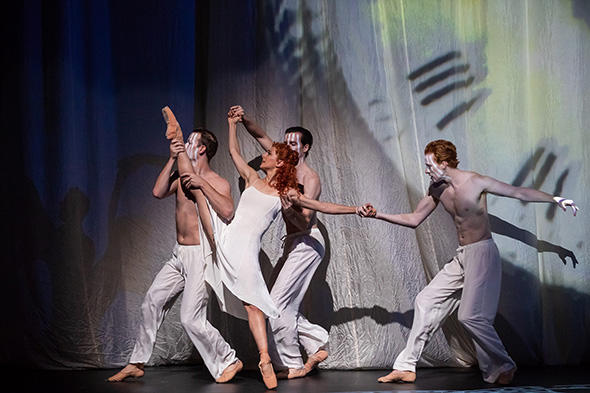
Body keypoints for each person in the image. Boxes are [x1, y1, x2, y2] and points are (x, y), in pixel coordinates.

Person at [363, 139, 578, 385]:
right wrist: (377, 214)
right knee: (425, 300)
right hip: (462, 255)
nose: (426, 170)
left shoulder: (475, 182)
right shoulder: (437, 189)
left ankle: (504, 365)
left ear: (444, 163)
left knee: (471, 317)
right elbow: (414, 219)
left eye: (429, 164)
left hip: (482, 253)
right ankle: (406, 366)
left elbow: (518, 192)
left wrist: (555, 199)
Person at [185, 109, 372, 389]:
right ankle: (295, 350)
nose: (266, 153)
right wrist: (232, 124)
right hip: (228, 238)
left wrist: (356, 209)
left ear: (283, 160)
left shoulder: (291, 190)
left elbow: (321, 208)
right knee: (201, 196)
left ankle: (272, 360)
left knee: (260, 304)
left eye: (272, 153)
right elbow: (236, 151)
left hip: (267, 247)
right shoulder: (251, 177)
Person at [108, 112, 242, 384]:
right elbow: (157, 192)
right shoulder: (182, 178)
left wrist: (202, 185)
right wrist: (172, 158)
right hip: (177, 254)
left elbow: (228, 210)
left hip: (200, 256)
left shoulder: (217, 182)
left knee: (190, 319)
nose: (185, 147)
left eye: (188, 142)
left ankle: (229, 359)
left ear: (202, 148)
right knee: (151, 302)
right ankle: (136, 361)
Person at [228, 106, 331, 379]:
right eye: (284, 143)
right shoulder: (282, 164)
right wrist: (242, 118)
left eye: (293, 144)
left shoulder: (309, 178)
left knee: (276, 302)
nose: (286, 146)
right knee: (272, 302)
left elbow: (307, 220)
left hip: (308, 241)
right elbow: (259, 134)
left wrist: (288, 208)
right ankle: (315, 343)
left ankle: (293, 362)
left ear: (305, 147)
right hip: (293, 242)